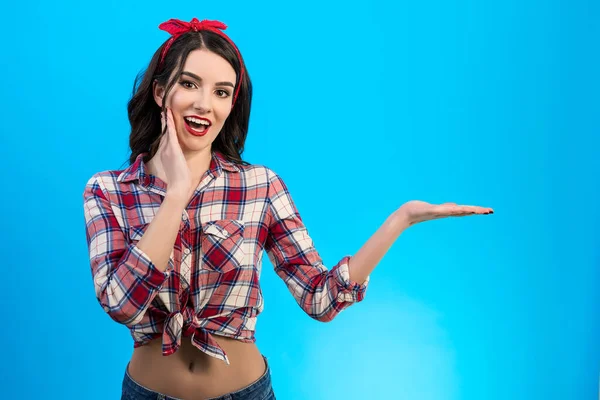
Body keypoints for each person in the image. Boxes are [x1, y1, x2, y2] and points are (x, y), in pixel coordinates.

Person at [82, 17, 494, 400]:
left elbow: (321, 300)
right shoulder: (108, 191)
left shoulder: (261, 186)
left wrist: (401, 219)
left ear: (231, 105)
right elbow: (123, 304)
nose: (205, 104)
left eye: (221, 92)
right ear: (160, 91)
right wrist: (176, 196)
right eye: (190, 84)